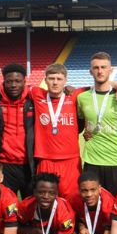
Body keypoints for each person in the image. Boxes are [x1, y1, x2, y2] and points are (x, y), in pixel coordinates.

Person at [77, 52, 117, 195]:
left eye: (103, 67)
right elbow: (82, 122)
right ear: (90, 71)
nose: (100, 71)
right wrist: (88, 131)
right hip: (92, 161)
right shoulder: (82, 98)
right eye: (96, 68)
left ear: (110, 70)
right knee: (92, 206)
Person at [29, 63, 86, 200]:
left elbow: (101, 86)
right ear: (45, 79)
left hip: (70, 160)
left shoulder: (75, 96)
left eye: (59, 79)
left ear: (65, 80)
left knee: (72, 199)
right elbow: (9, 87)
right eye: (51, 78)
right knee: (45, 199)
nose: (55, 82)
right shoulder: (37, 94)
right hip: (45, 159)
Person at [0, 63, 35, 199]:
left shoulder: (33, 101)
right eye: (9, 81)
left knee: (30, 208)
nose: (13, 85)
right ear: (4, 82)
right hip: (5, 165)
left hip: (29, 165)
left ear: (24, 82)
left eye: (17, 81)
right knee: (6, 208)